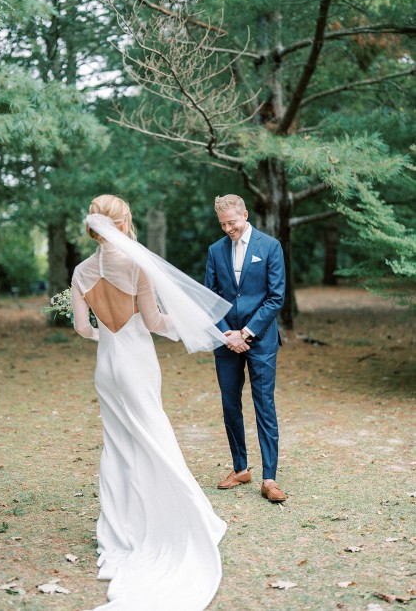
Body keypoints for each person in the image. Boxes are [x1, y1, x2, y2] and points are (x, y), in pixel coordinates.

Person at [71, 195, 231, 611]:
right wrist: (197, 323)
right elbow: (156, 322)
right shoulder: (136, 265)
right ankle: (179, 517)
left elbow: (83, 330)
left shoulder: (81, 271)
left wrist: (104, 332)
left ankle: (118, 529)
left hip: (107, 367)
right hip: (137, 364)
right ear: (124, 223)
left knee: (117, 445)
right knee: (155, 438)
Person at [204, 194, 287, 503]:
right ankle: (240, 468)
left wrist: (247, 333)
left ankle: (269, 478)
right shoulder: (215, 250)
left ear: (245, 215)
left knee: (264, 404)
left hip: (261, 340)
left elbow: (276, 296)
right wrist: (229, 334)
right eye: (222, 224)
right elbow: (211, 296)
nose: (228, 229)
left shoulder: (270, 246)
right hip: (226, 340)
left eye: (232, 222)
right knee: (230, 404)